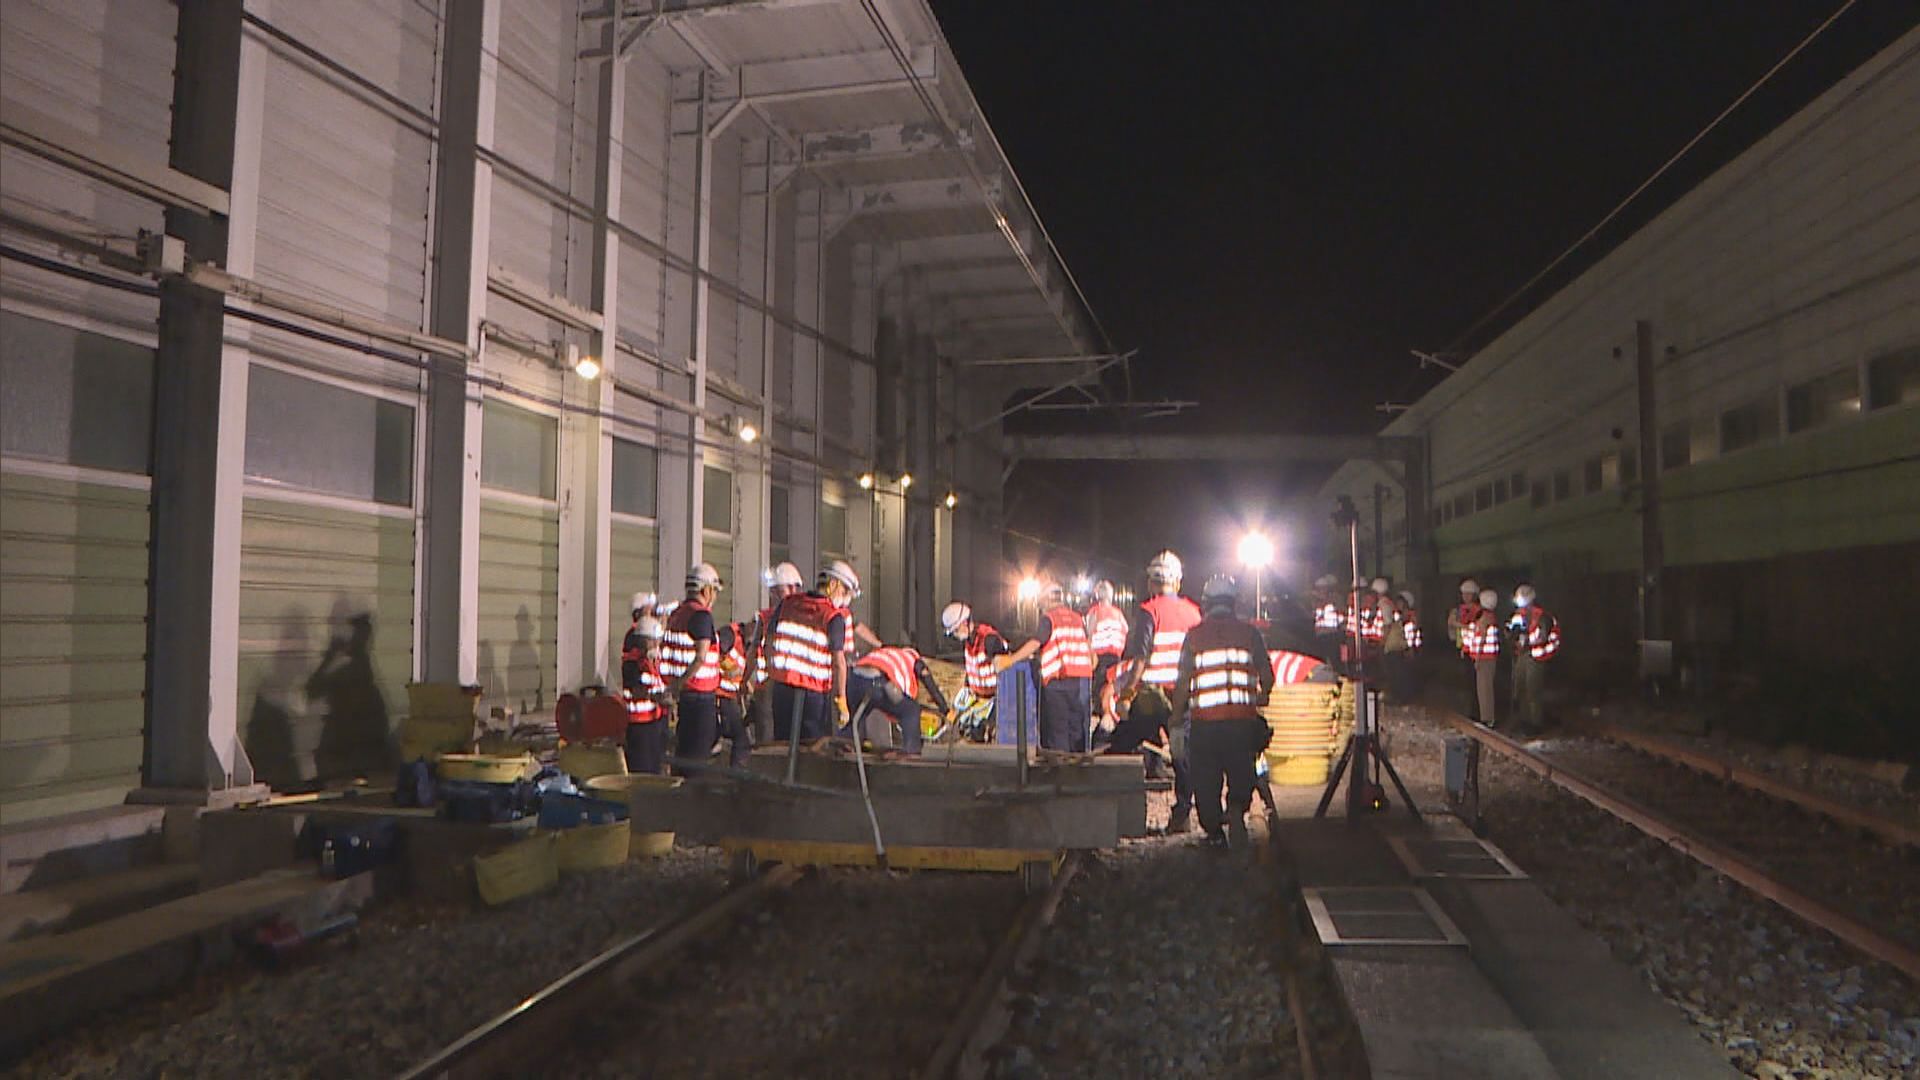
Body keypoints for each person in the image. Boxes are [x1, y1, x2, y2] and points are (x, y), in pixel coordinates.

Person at [1170, 575, 1276, 850]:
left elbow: (1182, 684)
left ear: (1206, 603)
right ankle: (1237, 808)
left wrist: (1175, 722)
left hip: (1205, 726)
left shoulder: (1194, 637)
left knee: (1206, 780)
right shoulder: (1250, 634)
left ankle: (1215, 833)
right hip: (1242, 723)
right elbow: (1267, 675)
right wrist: (1261, 696)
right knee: (1242, 772)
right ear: (1234, 602)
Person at [1112, 550, 1204, 832]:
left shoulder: (1148, 611)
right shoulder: (1193, 612)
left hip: (1153, 697)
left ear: (1152, 582)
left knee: (1119, 745)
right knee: (1181, 755)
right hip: (1183, 696)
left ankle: (1115, 811)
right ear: (1178, 581)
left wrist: (1126, 694)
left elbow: (1141, 659)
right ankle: (1182, 815)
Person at [767, 561, 859, 744]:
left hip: (782, 689)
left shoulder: (787, 604)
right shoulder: (832, 616)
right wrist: (841, 700)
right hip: (813, 696)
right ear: (834, 585)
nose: (844, 599)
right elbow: (839, 663)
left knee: (781, 746)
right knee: (812, 749)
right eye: (845, 592)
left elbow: (768, 642)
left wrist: (773, 673)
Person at [1005, 581, 1095, 751]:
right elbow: (1090, 652)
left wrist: (1011, 659)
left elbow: (1036, 642)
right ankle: (1078, 770)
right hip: (1081, 682)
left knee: (1057, 731)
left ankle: (1061, 774)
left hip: (1058, 681)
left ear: (1046, 601)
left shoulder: (1049, 618)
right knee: (1076, 731)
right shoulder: (1077, 618)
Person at [661, 563, 725, 773]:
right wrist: (679, 685)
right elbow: (700, 657)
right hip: (699, 698)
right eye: (714, 591)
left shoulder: (677, 614)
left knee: (684, 754)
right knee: (697, 760)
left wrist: (673, 688)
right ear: (706, 590)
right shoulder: (701, 616)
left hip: (684, 698)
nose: (714, 597)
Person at [844, 645, 951, 754]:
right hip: (878, 680)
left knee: (858, 719)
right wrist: (945, 708)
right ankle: (912, 753)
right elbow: (927, 680)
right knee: (911, 710)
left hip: (854, 680)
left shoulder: (889, 653)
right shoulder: (913, 659)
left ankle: (844, 743)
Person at [747, 563, 804, 742]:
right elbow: (753, 651)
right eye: (772, 591)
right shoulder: (765, 617)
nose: (773, 595)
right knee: (768, 740)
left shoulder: (805, 617)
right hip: (767, 687)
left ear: (794, 588)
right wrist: (744, 681)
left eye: (777, 590)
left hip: (796, 686)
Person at [943, 601, 1007, 741]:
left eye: (955, 630)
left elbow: (1006, 673)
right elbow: (973, 669)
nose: (955, 635)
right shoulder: (969, 642)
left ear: (965, 622)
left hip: (995, 700)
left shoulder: (989, 639)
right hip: (979, 698)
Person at [619, 609, 669, 774]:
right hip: (638, 724)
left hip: (655, 719)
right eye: (652, 641)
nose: (656, 645)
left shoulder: (653, 660)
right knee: (642, 768)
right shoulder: (633, 661)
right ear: (641, 640)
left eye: (657, 641)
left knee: (655, 766)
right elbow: (635, 689)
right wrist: (654, 697)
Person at [1508, 584, 1560, 734]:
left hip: (1535, 656)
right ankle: (1525, 720)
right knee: (1521, 688)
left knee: (1533, 690)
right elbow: (1512, 633)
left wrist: (1527, 640)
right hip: (1522, 655)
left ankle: (1535, 723)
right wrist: (1512, 636)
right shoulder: (1518, 615)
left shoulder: (1541, 616)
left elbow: (1542, 636)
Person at [1084, 580, 1129, 736]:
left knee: (1099, 690)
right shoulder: (1119, 614)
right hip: (1116, 657)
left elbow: (1089, 635)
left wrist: (1091, 659)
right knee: (1112, 689)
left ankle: (1104, 723)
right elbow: (1125, 633)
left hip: (1100, 657)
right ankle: (1110, 720)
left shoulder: (1095, 612)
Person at [714, 616, 753, 767]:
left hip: (730, 696)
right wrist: (729, 668)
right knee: (741, 739)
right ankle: (736, 775)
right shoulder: (730, 633)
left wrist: (746, 684)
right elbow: (715, 653)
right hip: (719, 695)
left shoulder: (746, 644)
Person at [1466, 587, 1502, 728]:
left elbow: (1481, 639)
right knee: (1485, 688)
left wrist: (1478, 658)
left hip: (1485, 659)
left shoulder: (1484, 619)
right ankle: (1487, 716)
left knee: (1484, 688)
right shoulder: (1491, 617)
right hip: (1489, 658)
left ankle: (1487, 718)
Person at [1447, 578, 1481, 720]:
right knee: (1467, 682)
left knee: (1475, 682)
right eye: (1464, 594)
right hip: (1464, 649)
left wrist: (1462, 625)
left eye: (1468, 594)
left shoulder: (1479, 611)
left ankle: (1476, 711)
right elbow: (1451, 623)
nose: (1465, 597)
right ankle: (1470, 710)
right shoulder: (1459, 610)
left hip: (1477, 651)